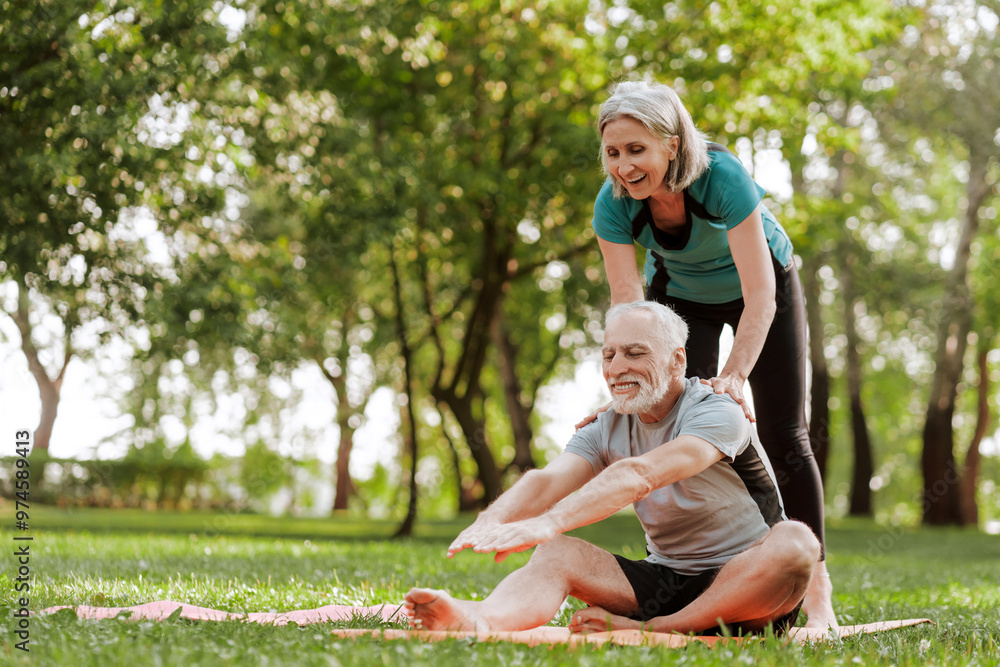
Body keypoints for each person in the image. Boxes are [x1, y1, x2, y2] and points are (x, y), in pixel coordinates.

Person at [405, 302, 819, 635]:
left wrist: (549, 521)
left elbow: (642, 475)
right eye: (609, 354)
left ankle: (659, 629)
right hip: (664, 582)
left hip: (750, 588)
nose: (617, 366)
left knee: (797, 542)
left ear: (677, 361)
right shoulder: (606, 425)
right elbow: (547, 480)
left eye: (635, 353)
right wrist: (491, 519)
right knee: (556, 552)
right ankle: (480, 620)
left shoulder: (717, 411)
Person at [584, 80, 835, 628]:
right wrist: (623, 392)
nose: (623, 167)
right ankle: (703, 574)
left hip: (763, 288)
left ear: (671, 146)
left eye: (636, 150)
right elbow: (629, 309)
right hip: (680, 300)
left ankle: (817, 597)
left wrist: (734, 375)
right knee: (679, 425)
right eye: (612, 152)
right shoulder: (613, 204)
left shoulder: (721, 177)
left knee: (785, 431)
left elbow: (761, 293)